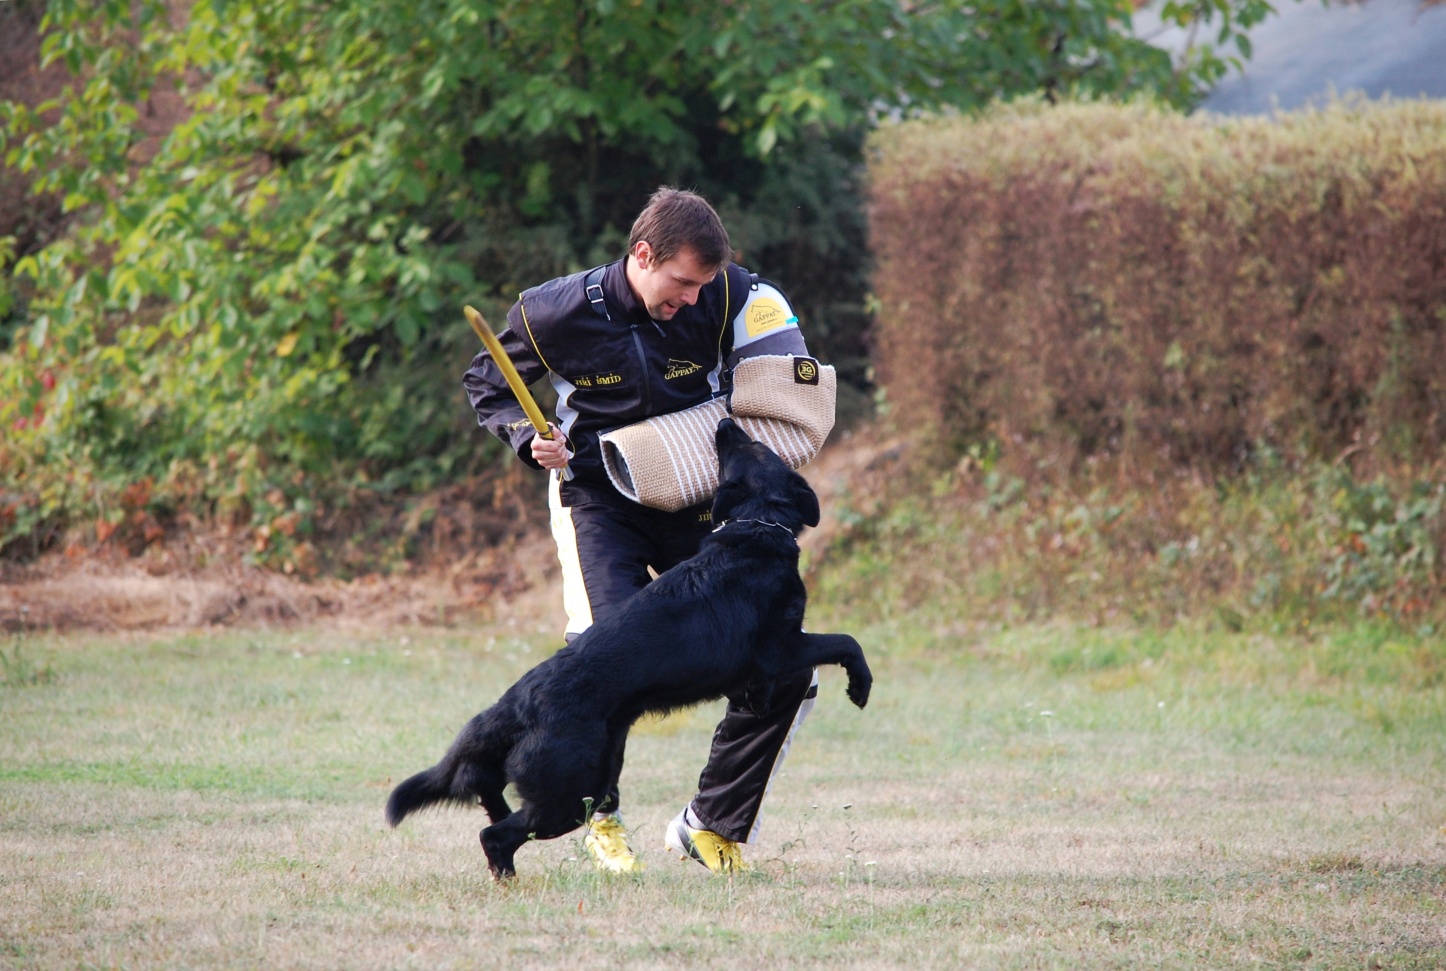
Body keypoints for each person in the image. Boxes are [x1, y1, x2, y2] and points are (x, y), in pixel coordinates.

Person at [462, 187, 823, 875]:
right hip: (598, 500)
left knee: (788, 668)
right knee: (604, 654)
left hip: (699, 503)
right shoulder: (553, 311)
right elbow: (488, 382)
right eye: (682, 283)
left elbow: (789, 383)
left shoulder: (734, 296)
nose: (692, 299)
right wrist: (523, 435)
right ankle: (600, 812)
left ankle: (711, 823)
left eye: (704, 286)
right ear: (642, 254)